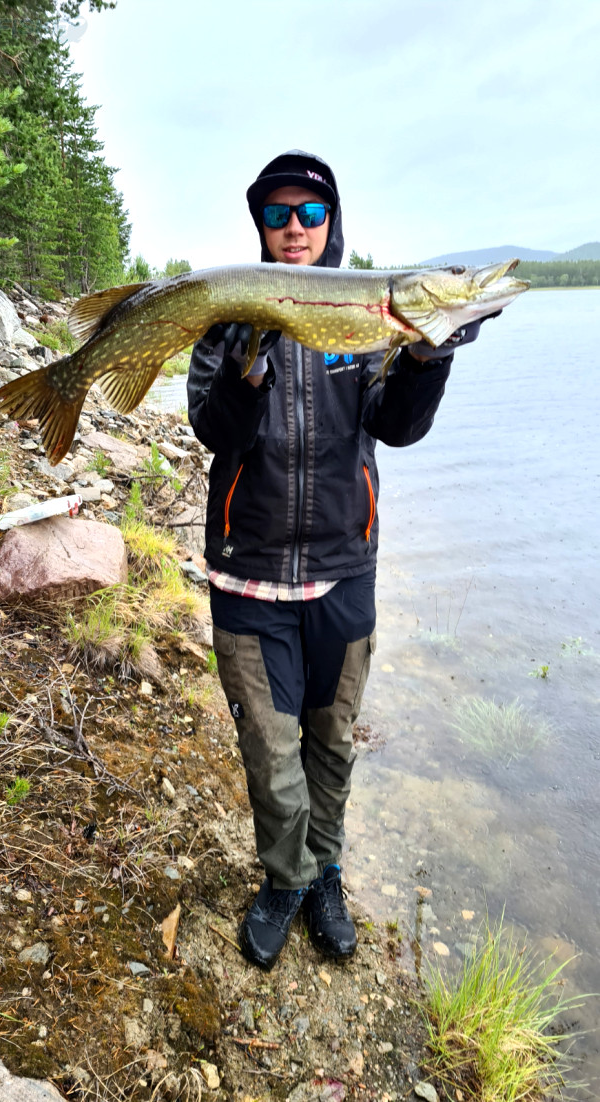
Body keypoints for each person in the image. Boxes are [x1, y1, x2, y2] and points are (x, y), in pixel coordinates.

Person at [187, 150, 488, 971]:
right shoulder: (228, 313)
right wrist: (246, 370)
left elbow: (397, 426)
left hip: (343, 571)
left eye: (311, 213)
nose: (295, 227)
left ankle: (325, 873)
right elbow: (215, 432)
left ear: (332, 223)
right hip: (248, 572)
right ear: (261, 226)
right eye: (278, 214)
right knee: (270, 750)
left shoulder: (368, 315)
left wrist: (429, 356)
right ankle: (285, 878)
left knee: (331, 740)